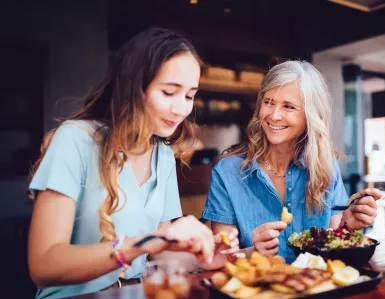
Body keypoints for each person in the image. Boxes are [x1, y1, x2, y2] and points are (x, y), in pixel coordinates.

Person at [28, 27, 239, 299]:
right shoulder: (75, 141)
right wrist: (139, 244)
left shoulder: (162, 155)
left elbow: (160, 255)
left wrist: (203, 257)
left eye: (189, 96)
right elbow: (44, 265)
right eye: (169, 92)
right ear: (134, 87)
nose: (181, 109)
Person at [201, 61, 381, 263]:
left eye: (288, 106)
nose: (274, 115)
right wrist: (253, 251)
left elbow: (333, 243)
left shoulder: (325, 167)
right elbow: (219, 258)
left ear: (310, 116)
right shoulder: (227, 172)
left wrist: (347, 226)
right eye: (268, 102)